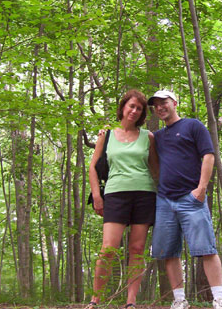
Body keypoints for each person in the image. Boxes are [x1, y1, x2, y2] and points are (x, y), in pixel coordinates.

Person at [148, 90, 222, 309]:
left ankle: (219, 299)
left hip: (191, 198)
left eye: (163, 103)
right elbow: (154, 164)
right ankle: (179, 300)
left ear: (174, 103)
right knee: (169, 252)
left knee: (206, 248)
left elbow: (208, 155)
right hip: (165, 200)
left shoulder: (193, 126)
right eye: (155, 105)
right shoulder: (157, 137)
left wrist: (201, 188)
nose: (160, 107)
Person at [86, 89, 159, 309]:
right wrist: (97, 196)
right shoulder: (106, 135)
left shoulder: (148, 136)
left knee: (137, 249)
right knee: (108, 248)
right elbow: (93, 167)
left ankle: (131, 302)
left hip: (144, 194)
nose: (135, 111)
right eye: (131, 106)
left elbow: (155, 168)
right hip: (115, 194)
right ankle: (95, 300)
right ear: (123, 107)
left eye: (139, 108)